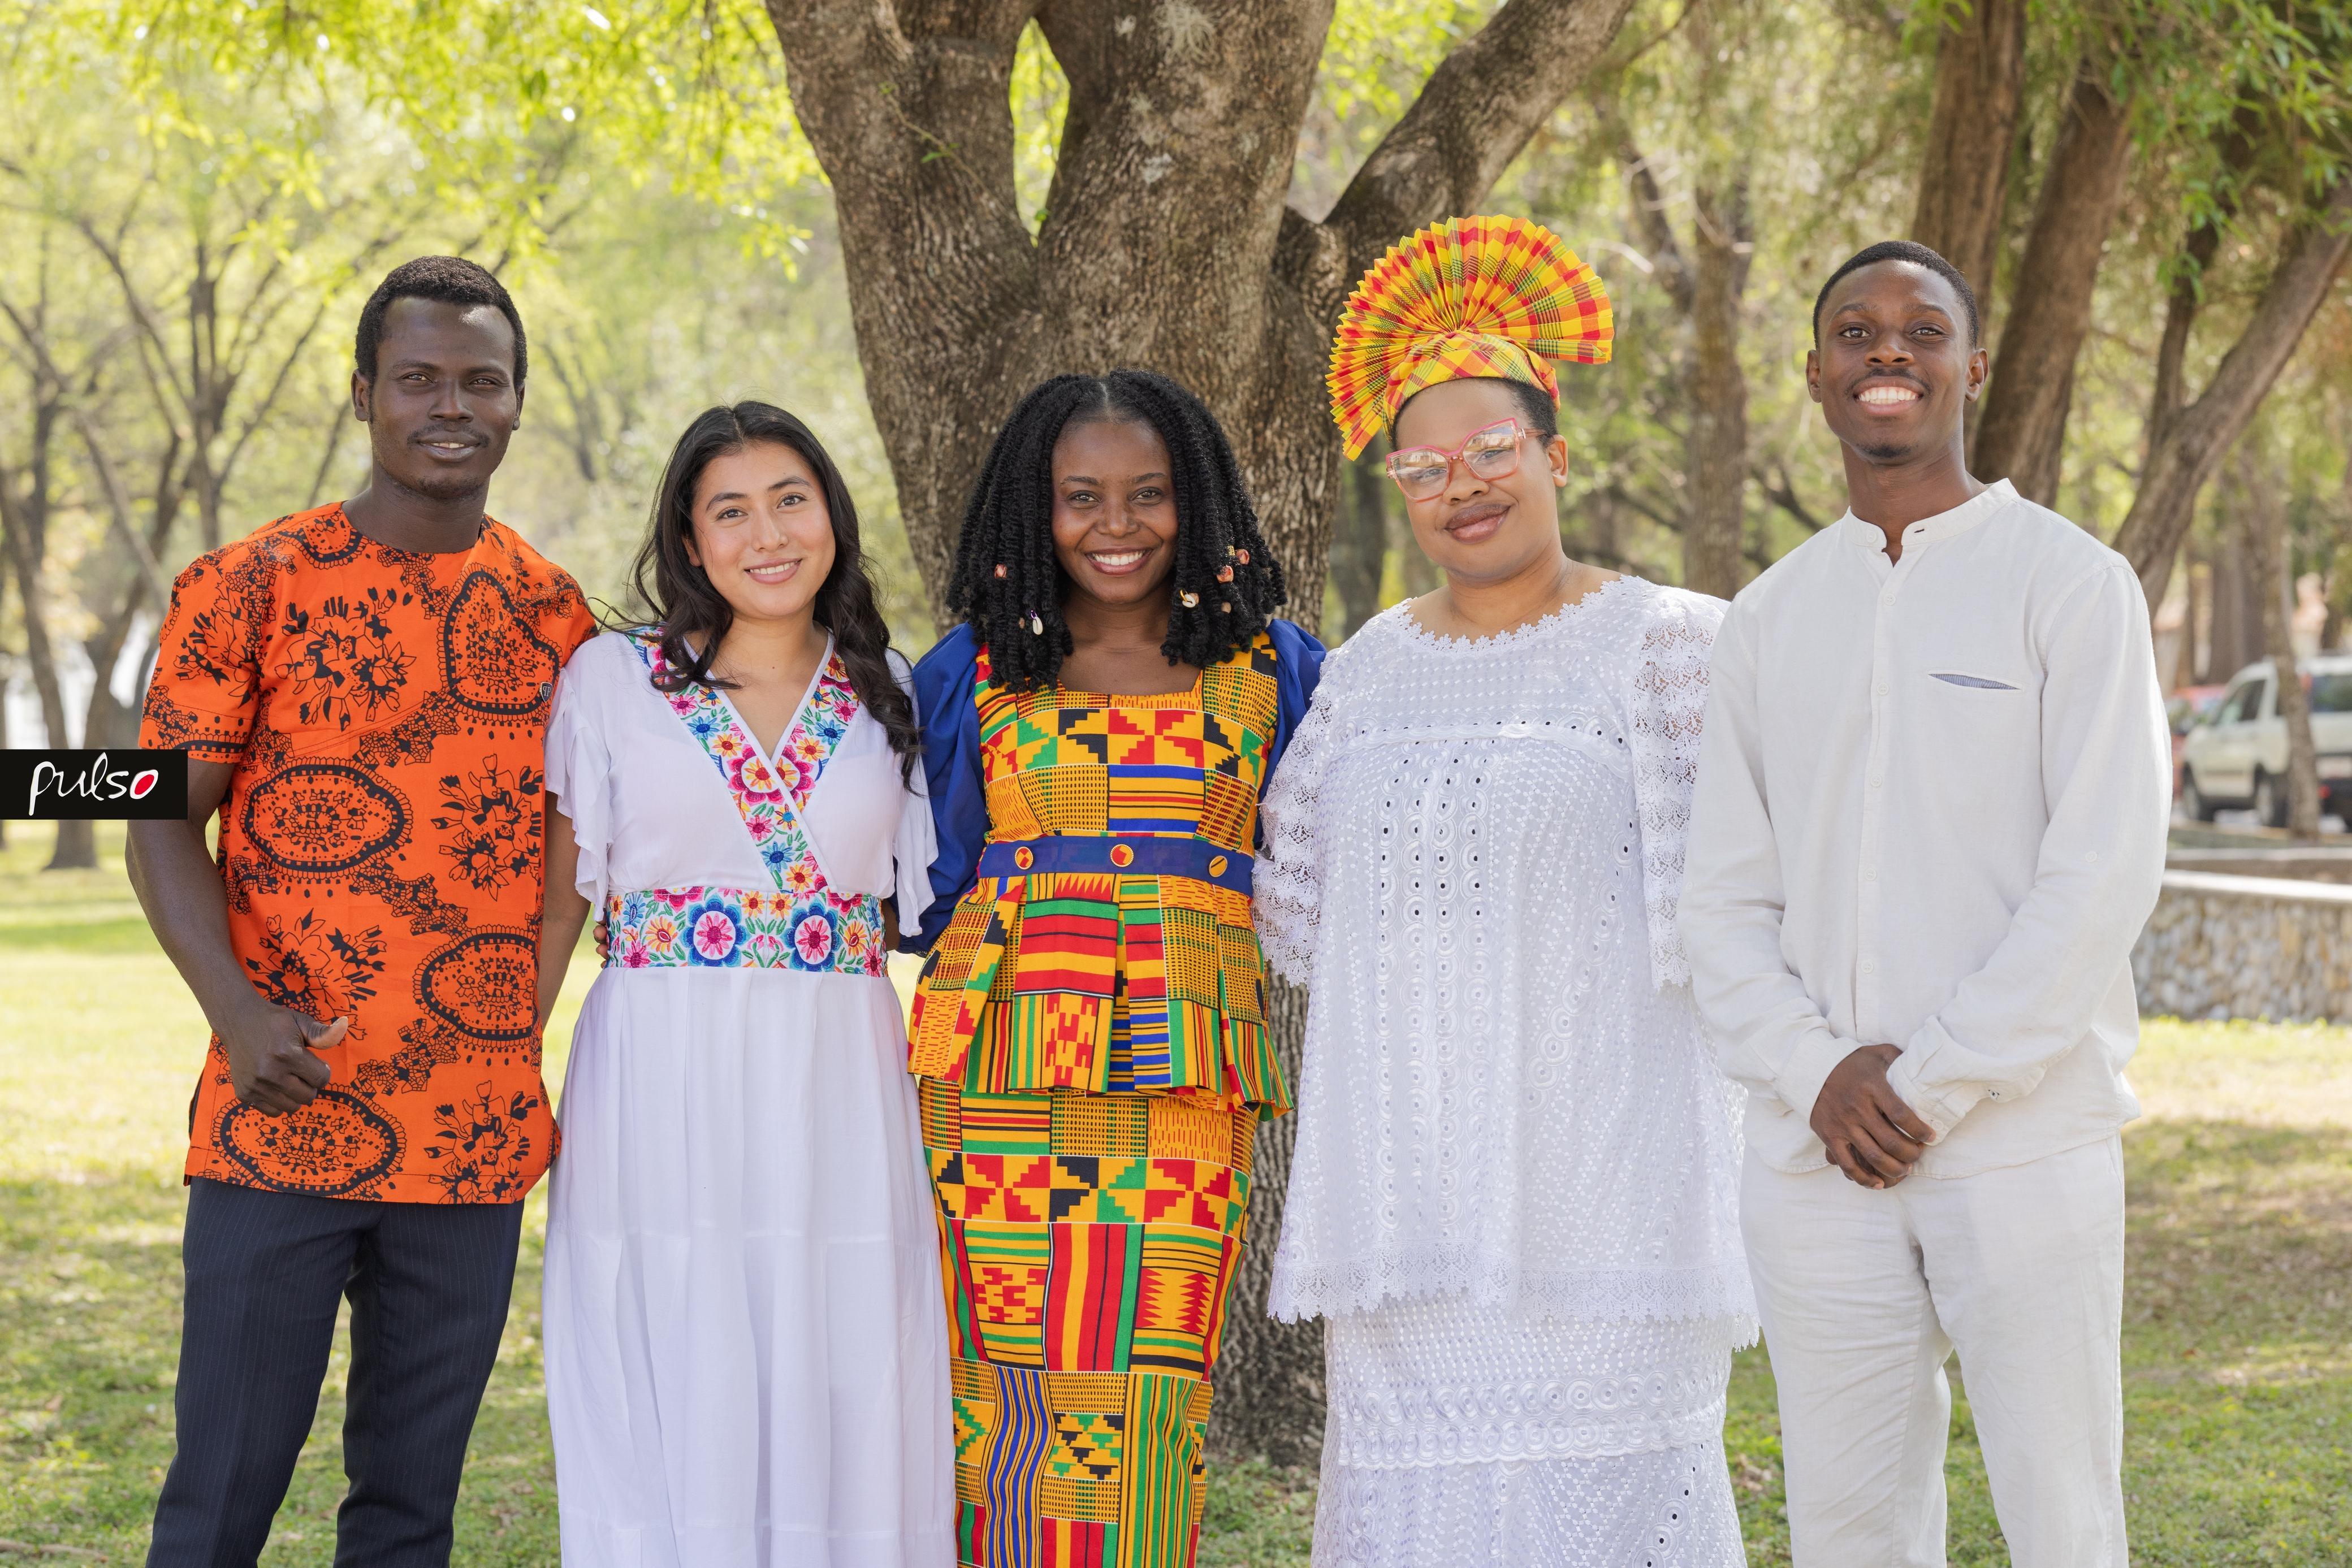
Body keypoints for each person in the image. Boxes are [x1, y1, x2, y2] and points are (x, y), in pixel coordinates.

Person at [1257, 213, 1753, 1567]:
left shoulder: (1674, 648)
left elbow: (1756, 909)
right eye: (1424, 467)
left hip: (1609, 1209)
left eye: (1492, 450)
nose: (1462, 487)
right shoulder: (1364, 672)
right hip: (1412, 1220)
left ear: (1554, 453)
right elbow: (1293, 913)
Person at [1679, 240, 2171, 1568]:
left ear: (1973, 366)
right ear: (1816, 373)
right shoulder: (1769, 618)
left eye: (1921, 329)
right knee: (1848, 1528)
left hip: (2022, 1141)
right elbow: (1721, 898)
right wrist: (1819, 1072)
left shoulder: (2070, 583)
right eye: (1855, 331)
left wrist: (1929, 1082)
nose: (1886, 350)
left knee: (2061, 1517)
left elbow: (2102, 873)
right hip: (1817, 1157)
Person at [128, 256, 596, 1566]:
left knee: (409, 1514)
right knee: (218, 1497)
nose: (451, 406)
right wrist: (238, 1015)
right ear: (362, 395)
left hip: (471, 1132)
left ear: (516, 402)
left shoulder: (559, 619)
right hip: (279, 1112)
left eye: (481, 381)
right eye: (418, 379)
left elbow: (574, 842)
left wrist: (522, 1009)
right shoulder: (248, 584)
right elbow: (155, 814)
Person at [903, 369, 1323, 1568]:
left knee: (1149, 1399)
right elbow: (936, 880)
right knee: (994, 1393)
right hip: (993, 1076)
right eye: (1080, 496)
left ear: (1199, 500)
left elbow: (1329, 867)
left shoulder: (1279, 667)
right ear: (1032, 510)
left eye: (1149, 493)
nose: (1116, 523)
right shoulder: (969, 668)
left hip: (1183, 1074)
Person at [535, 402, 951, 1567]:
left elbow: (916, 911)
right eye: (730, 511)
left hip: (837, 1076)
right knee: (670, 1322)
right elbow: (563, 901)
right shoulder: (612, 679)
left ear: (832, 516)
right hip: (657, 1068)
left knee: (842, 1340)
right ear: (689, 539)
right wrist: (509, 1066)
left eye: (789, 500)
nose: (766, 535)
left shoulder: (890, 690)